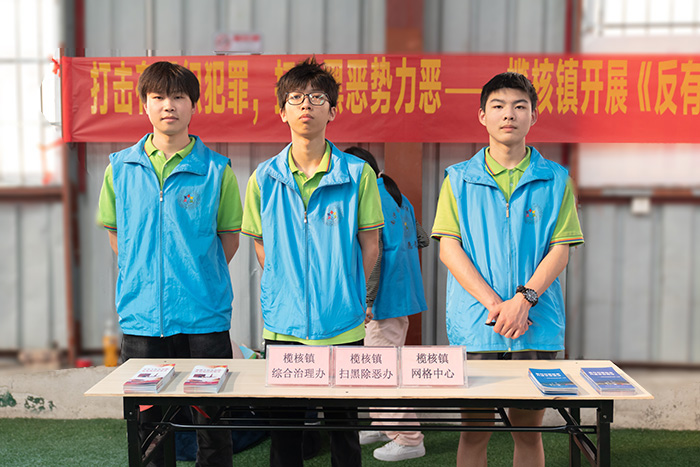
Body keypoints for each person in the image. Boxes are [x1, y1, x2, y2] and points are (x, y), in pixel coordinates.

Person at [431, 72, 584, 467]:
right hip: (477, 324)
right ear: (482, 115)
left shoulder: (556, 179)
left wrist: (524, 300)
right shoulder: (458, 179)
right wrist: (496, 305)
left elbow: (561, 250)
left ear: (534, 115)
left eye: (519, 106)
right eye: (498, 106)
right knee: (474, 432)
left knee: (528, 432)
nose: (509, 114)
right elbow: (449, 249)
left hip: (536, 323)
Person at [97, 61, 242, 467]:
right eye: (158, 97)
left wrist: (194, 277)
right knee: (149, 426)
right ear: (144, 104)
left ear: (194, 105)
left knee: (211, 420)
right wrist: (145, 276)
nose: (169, 106)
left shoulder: (217, 171)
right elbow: (117, 236)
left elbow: (228, 240)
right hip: (142, 318)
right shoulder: (119, 169)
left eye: (179, 97)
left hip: (204, 317)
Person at [241, 57, 383, 467]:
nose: (306, 105)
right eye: (296, 98)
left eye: (317, 97)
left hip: (342, 324)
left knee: (344, 432)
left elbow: (370, 245)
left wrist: (346, 289)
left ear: (332, 111)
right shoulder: (263, 178)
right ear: (281, 111)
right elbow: (262, 246)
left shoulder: (357, 174)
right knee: (285, 435)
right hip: (283, 325)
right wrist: (285, 285)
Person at [344, 146, 428, 462]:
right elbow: (422, 238)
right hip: (401, 295)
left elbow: (375, 253)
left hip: (382, 301)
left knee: (382, 372)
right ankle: (383, 426)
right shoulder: (396, 195)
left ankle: (409, 439)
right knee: (378, 368)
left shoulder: (371, 198)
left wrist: (367, 300)